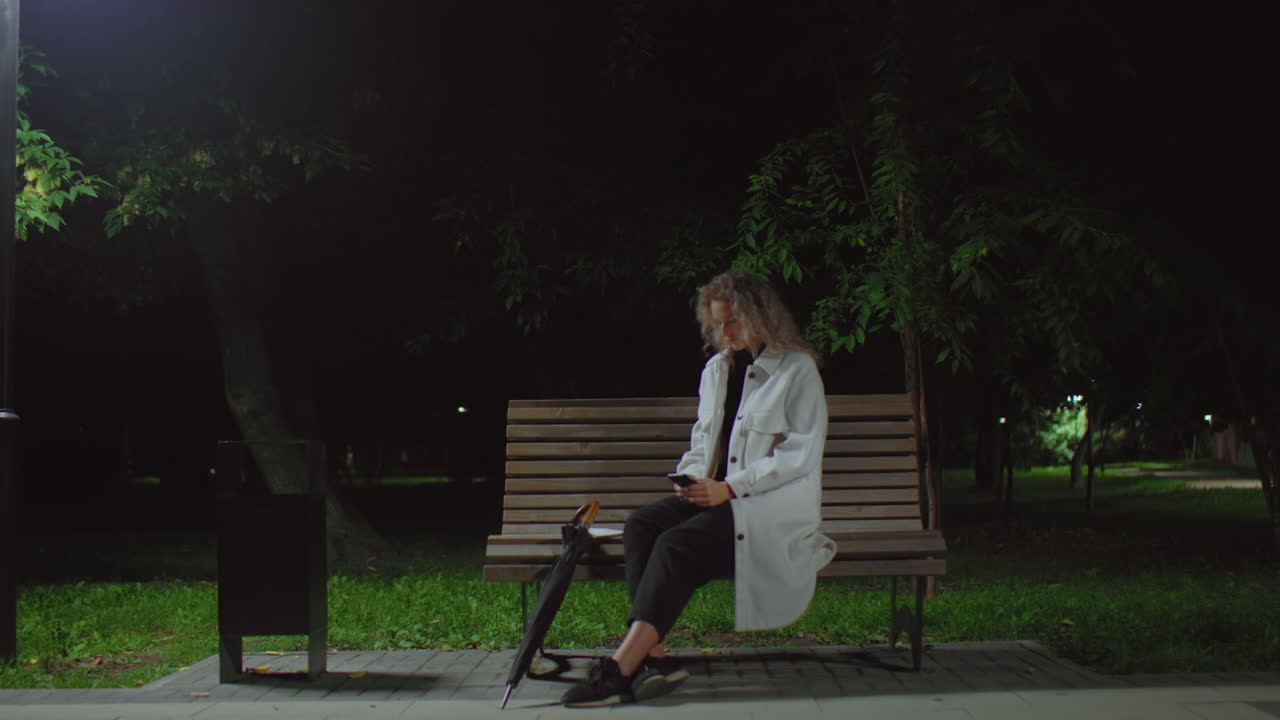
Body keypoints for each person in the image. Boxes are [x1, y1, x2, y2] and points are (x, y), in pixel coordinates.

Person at [562, 270, 836, 707]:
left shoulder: (796, 370)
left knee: (676, 545)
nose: (723, 333)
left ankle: (619, 670)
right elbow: (703, 440)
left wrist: (730, 488)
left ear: (760, 316)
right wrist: (688, 479)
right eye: (717, 324)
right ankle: (651, 655)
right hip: (719, 497)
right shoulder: (717, 370)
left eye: (733, 322)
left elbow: (798, 456)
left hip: (767, 509)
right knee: (641, 526)